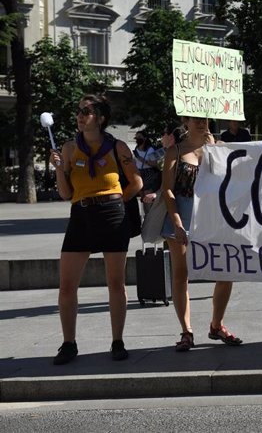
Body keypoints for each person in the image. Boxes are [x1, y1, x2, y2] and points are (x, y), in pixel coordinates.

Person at [49, 94, 143, 365]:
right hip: (80, 215)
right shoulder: (68, 148)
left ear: (100, 118)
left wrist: (115, 201)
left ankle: (117, 341)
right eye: (79, 110)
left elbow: (136, 182)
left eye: (87, 111)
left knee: (115, 282)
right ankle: (68, 344)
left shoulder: (118, 147)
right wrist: (58, 169)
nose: (81, 115)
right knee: (67, 285)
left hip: (112, 214)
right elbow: (66, 193)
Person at [160, 115, 242, 351]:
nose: (201, 123)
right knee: (180, 274)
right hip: (182, 217)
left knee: (226, 272)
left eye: (205, 119)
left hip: (212, 219)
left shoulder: (218, 148)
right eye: (195, 119)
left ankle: (216, 324)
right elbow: (167, 189)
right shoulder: (175, 151)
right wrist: (176, 221)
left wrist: (215, 149)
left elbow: (233, 178)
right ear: (186, 121)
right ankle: (186, 331)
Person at [133, 131, 161, 213]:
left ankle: (149, 215)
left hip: (148, 172)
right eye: (136, 137)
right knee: (142, 195)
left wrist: (141, 159)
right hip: (138, 172)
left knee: (147, 194)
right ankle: (146, 215)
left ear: (145, 138)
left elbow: (154, 163)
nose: (137, 139)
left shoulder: (150, 149)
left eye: (139, 137)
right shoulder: (136, 149)